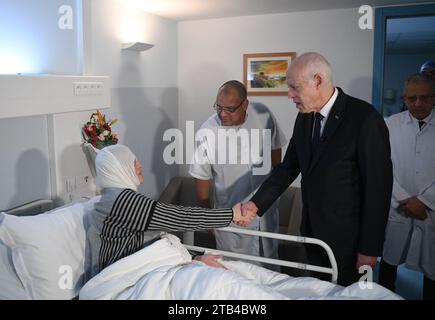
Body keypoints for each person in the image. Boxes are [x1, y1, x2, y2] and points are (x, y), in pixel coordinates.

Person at [242, 52, 393, 286]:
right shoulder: (304, 118)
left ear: (318, 80)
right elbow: (288, 168)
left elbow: (378, 189)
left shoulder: (364, 119)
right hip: (313, 234)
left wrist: (369, 248)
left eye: (295, 87)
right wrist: (256, 203)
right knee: (319, 290)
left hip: (350, 242)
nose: (290, 95)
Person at [84, 144, 254, 281]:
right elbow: (181, 217)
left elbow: (150, 242)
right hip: (127, 279)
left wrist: (194, 259)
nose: (139, 165)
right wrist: (232, 215)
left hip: (139, 271)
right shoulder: (123, 201)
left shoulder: (112, 200)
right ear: (118, 169)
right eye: (132, 161)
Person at [189, 80, 287, 264]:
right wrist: (208, 216)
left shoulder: (263, 114)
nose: (222, 114)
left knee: (271, 269)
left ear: (245, 105)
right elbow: (200, 176)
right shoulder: (207, 131)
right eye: (218, 107)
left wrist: (274, 190)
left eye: (230, 109)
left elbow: (276, 150)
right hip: (232, 218)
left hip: (266, 212)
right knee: (236, 276)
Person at [379, 73, 435, 300]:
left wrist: (426, 200)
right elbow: (382, 168)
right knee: (389, 263)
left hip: (430, 210)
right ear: (404, 98)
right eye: (412, 98)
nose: (418, 103)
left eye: (424, 97)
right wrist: (404, 198)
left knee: (431, 269)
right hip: (398, 206)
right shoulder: (389, 125)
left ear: (434, 98)